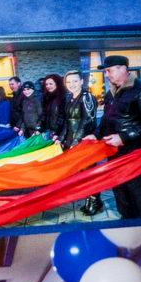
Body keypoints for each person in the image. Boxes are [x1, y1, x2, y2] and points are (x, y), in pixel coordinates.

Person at [92, 54, 141, 218]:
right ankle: (126, 220)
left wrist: (123, 137)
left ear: (123, 68)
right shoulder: (111, 93)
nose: (106, 75)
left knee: (137, 190)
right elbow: (106, 120)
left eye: (109, 71)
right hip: (113, 151)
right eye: (105, 71)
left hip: (133, 152)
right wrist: (95, 135)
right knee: (119, 189)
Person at [60, 70, 104, 216]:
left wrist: (76, 141)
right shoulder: (69, 98)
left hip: (83, 142)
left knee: (88, 173)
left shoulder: (87, 97)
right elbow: (67, 122)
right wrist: (61, 138)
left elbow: (88, 121)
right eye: (68, 82)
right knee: (81, 174)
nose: (71, 84)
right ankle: (89, 200)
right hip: (71, 141)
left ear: (81, 82)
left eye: (75, 81)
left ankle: (94, 201)